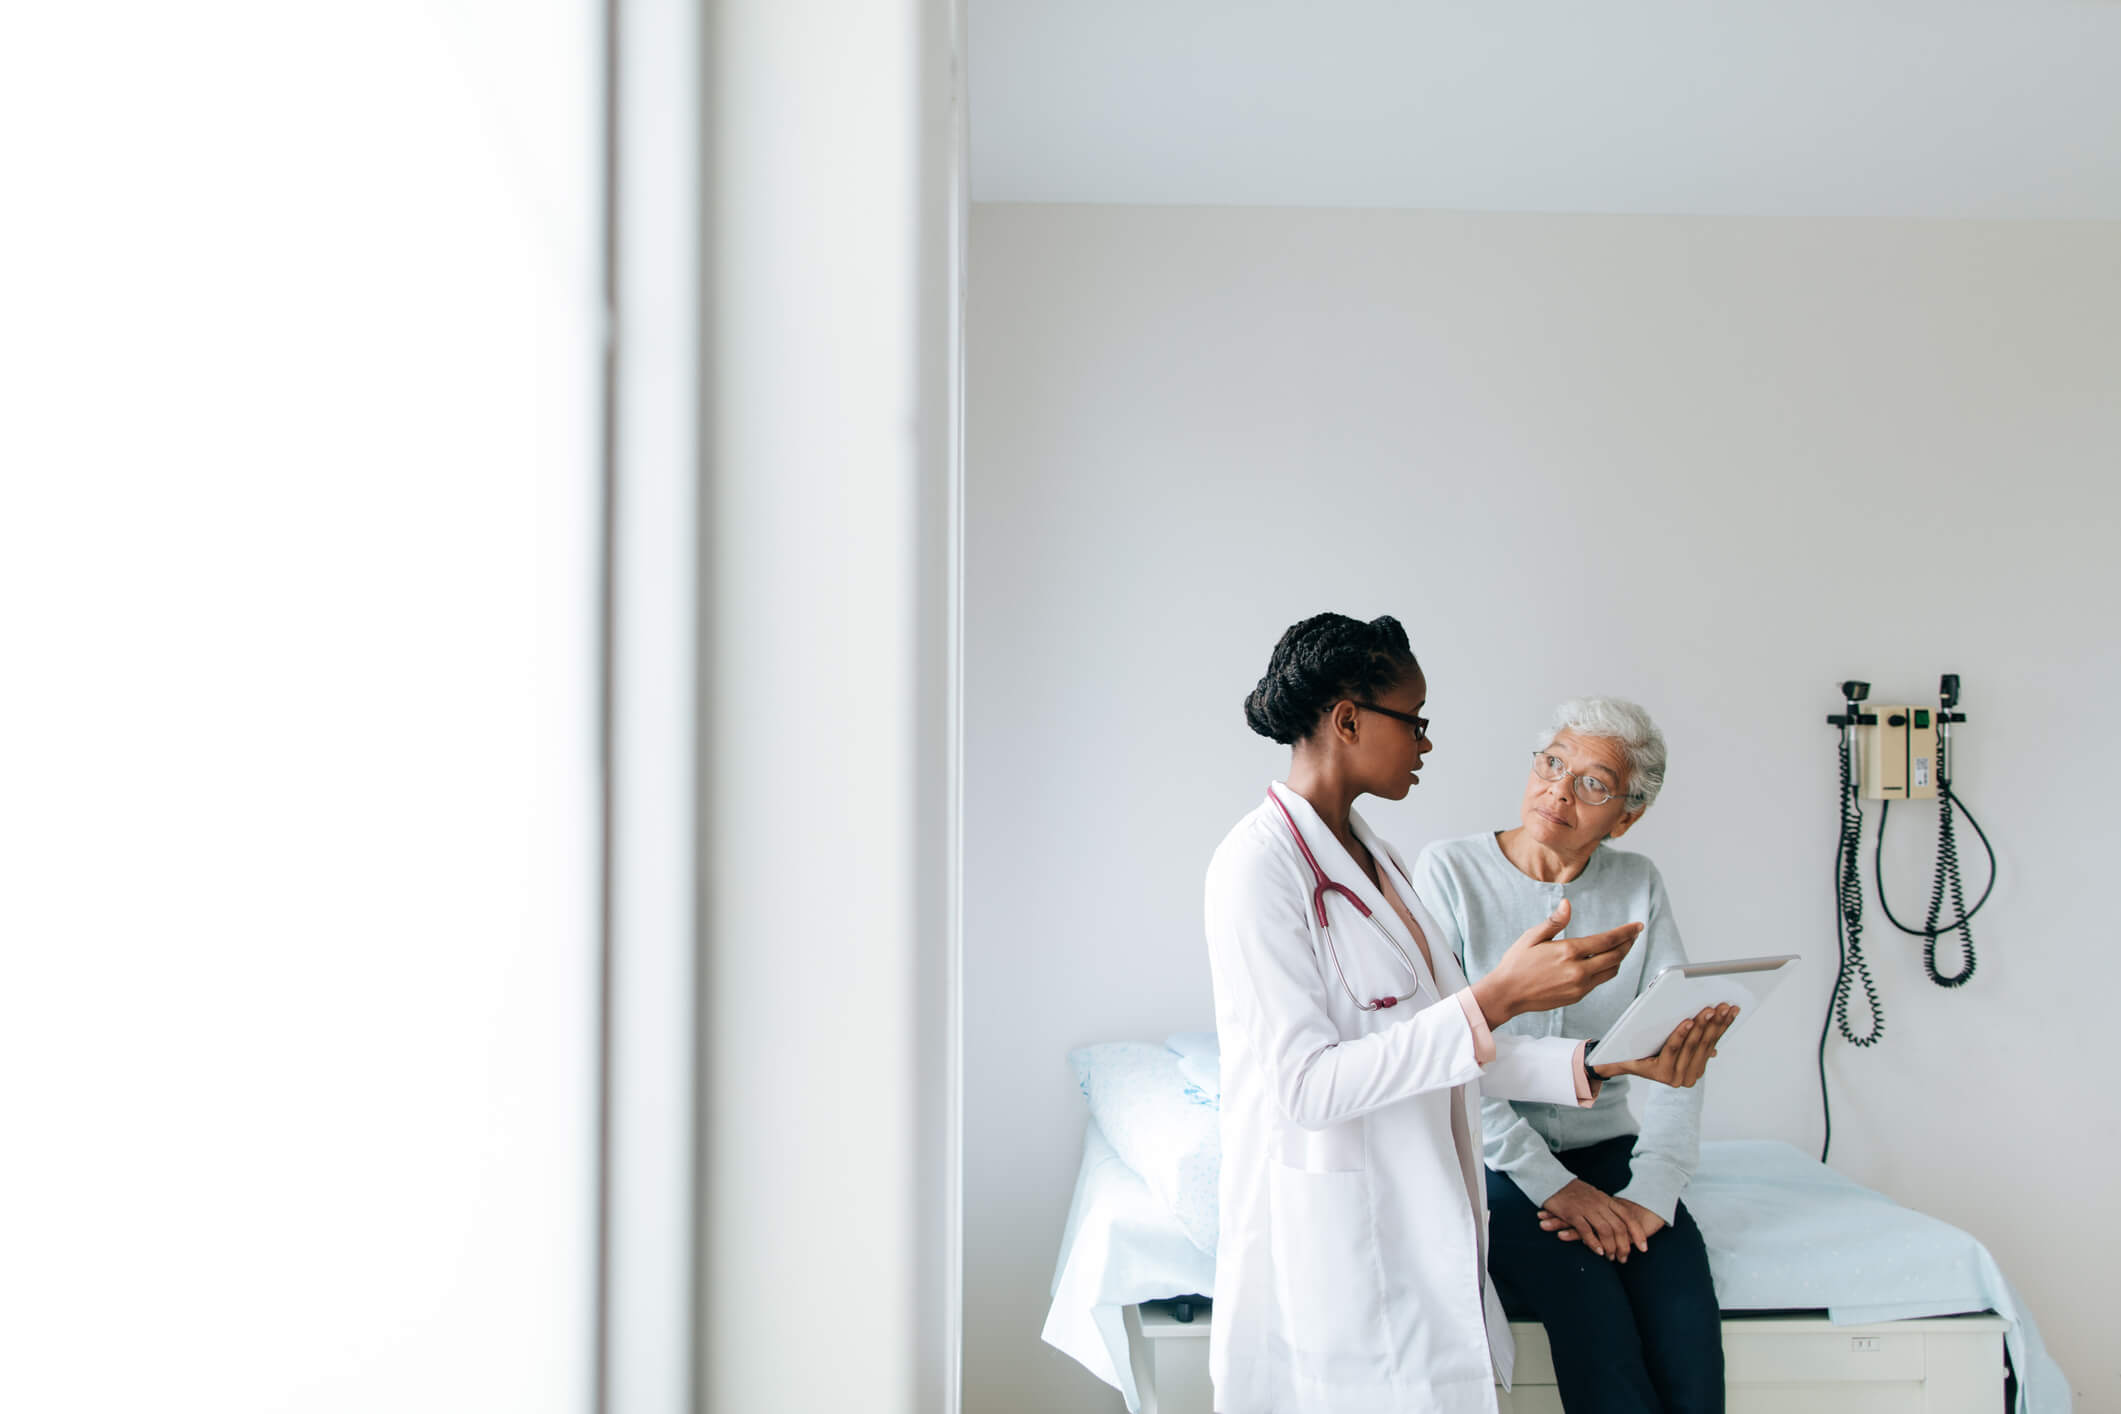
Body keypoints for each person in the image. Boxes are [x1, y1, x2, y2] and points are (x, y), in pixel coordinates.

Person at [1203, 616, 1717, 1414]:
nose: (1426, 744)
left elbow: (1437, 1043)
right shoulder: (1256, 866)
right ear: (1347, 720)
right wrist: (1497, 998)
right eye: (1414, 722)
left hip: (1425, 1197)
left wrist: (1597, 1065)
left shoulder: (1380, 862)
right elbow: (1304, 1088)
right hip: (1341, 1226)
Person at [1412, 697, 1735, 1414]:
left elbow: (1679, 1048)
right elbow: (1446, 1055)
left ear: (1625, 816)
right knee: (1596, 1326)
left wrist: (1653, 1190)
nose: (1559, 789)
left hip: (1607, 1148)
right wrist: (1550, 1185)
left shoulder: (1637, 883)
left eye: (1593, 782)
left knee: (1685, 1328)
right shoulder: (1448, 871)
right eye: (1552, 762)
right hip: (1493, 1161)